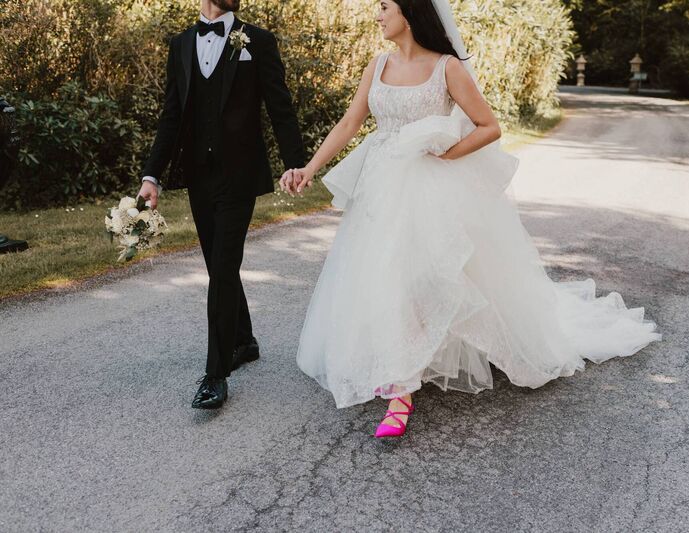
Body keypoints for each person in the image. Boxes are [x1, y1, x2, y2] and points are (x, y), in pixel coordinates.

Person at [283, 0, 661, 438]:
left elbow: (488, 126)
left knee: (424, 278)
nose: (377, 15)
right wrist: (309, 169)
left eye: (384, 6)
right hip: (381, 189)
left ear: (409, 11)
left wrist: (447, 153)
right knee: (386, 277)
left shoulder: (447, 68)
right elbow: (350, 123)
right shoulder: (378, 64)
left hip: (431, 190)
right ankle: (401, 371)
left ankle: (401, 392)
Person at [138, 0, 305, 409]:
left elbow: (279, 106)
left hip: (240, 175)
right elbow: (171, 116)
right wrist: (151, 176)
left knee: (224, 266)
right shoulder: (180, 44)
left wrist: (296, 164)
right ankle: (244, 341)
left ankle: (215, 375)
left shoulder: (258, 41)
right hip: (199, 175)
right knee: (218, 264)